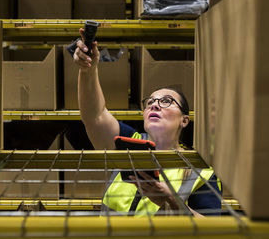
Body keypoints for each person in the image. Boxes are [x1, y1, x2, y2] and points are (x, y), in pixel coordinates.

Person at [71, 28, 222, 217]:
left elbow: (212, 230)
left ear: (184, 120)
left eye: (166, 101)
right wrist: (88, 70)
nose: (154, 105)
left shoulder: (199, 171)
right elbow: (95, 115)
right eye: (149, 102)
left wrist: (171, 200)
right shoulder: (128, 143)